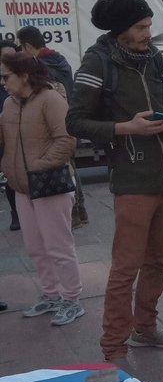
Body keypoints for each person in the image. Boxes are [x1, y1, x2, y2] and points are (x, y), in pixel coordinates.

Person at [67, 0, 163, 366]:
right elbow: (75, 121)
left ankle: (145, 328)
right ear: (120, 30)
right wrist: (126, 127)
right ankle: (113, 349)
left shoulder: (153, 56)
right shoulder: (98, 61)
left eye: (149, 24)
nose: (148, 32)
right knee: (125, 269)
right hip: (133, 179)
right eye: (141, 27)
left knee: (159, 261)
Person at [0, 53, 83, 325]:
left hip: (50, 184)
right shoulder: (10, 105)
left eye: (6, 76)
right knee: (35, 246)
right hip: (22, 187)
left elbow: (66, 140)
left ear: (24, 75)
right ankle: (51, 294)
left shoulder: (50, 100)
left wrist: (37, 165)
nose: (3, 83)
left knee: (58, 246)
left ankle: (72, 299)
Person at [16, 23, 89, 228]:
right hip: (69, 121)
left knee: (65, 172)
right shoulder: (60, 59)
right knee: (70, 168)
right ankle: (79, 212)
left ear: (29, 46)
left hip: (55, 125)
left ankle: (73, 214)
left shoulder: (42, 66)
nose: (21, 52)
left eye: (21, 47)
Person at [0, 43, 21, 230]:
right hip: (5, 139)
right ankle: (16, 214)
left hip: (24, 138)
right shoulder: (4, 84)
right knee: (10, 178)